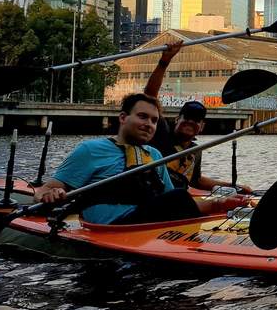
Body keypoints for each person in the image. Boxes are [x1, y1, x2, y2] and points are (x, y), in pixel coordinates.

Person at [32, 93, 247, 224]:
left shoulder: (153, 155)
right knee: (179, 199)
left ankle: (219, 206)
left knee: (178, 196)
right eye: (142, 117)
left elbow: (170, 195)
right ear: (123, 118)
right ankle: (216, 206)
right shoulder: (90, 150)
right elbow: (43, 190)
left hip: (145, 219)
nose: (149, 124)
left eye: (154, 120)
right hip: (110, 222)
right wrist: (52, 193)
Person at [143, 40, 252, 193]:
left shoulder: (195, 151)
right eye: (186, 118)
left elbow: (197, 180)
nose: (190, 122)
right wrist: (164, 62)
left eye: (196, 120)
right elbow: (150, 97)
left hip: (182, 195)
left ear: (201, 127)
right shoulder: (161, 133)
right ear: (176, 120)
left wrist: (233, 187)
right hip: (160, 195)